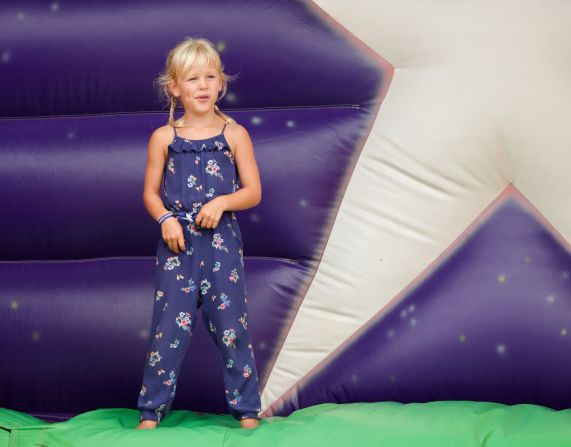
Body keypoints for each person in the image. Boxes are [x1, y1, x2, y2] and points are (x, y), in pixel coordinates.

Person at [135, 37, 262, 430]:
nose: (203, 85)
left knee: (232, 328)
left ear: (220, 83)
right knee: (168, 328)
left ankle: (247, 413)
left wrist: (222, 202)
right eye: (193, 78)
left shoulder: (235, 134)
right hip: (177, 247)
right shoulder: (164, 138)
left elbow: (253, 192)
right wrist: (165, 220)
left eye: (210, 76)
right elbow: (150, 195)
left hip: (222, 246)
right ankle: (151, 412)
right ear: (175, 87)